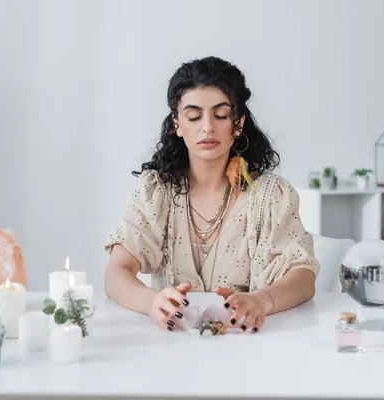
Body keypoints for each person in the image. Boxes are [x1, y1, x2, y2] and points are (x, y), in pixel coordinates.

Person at [103, 56, 320, 333]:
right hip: (170, 346)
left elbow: (303, 276)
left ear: (238, 123)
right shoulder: (155, 191)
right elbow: (115, 274)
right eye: (194, 116)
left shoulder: (271, 195)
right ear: (177, 124)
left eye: (221, 115)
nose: (207, 127)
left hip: (249, 345)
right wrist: (152, 303)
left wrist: (262, 300)